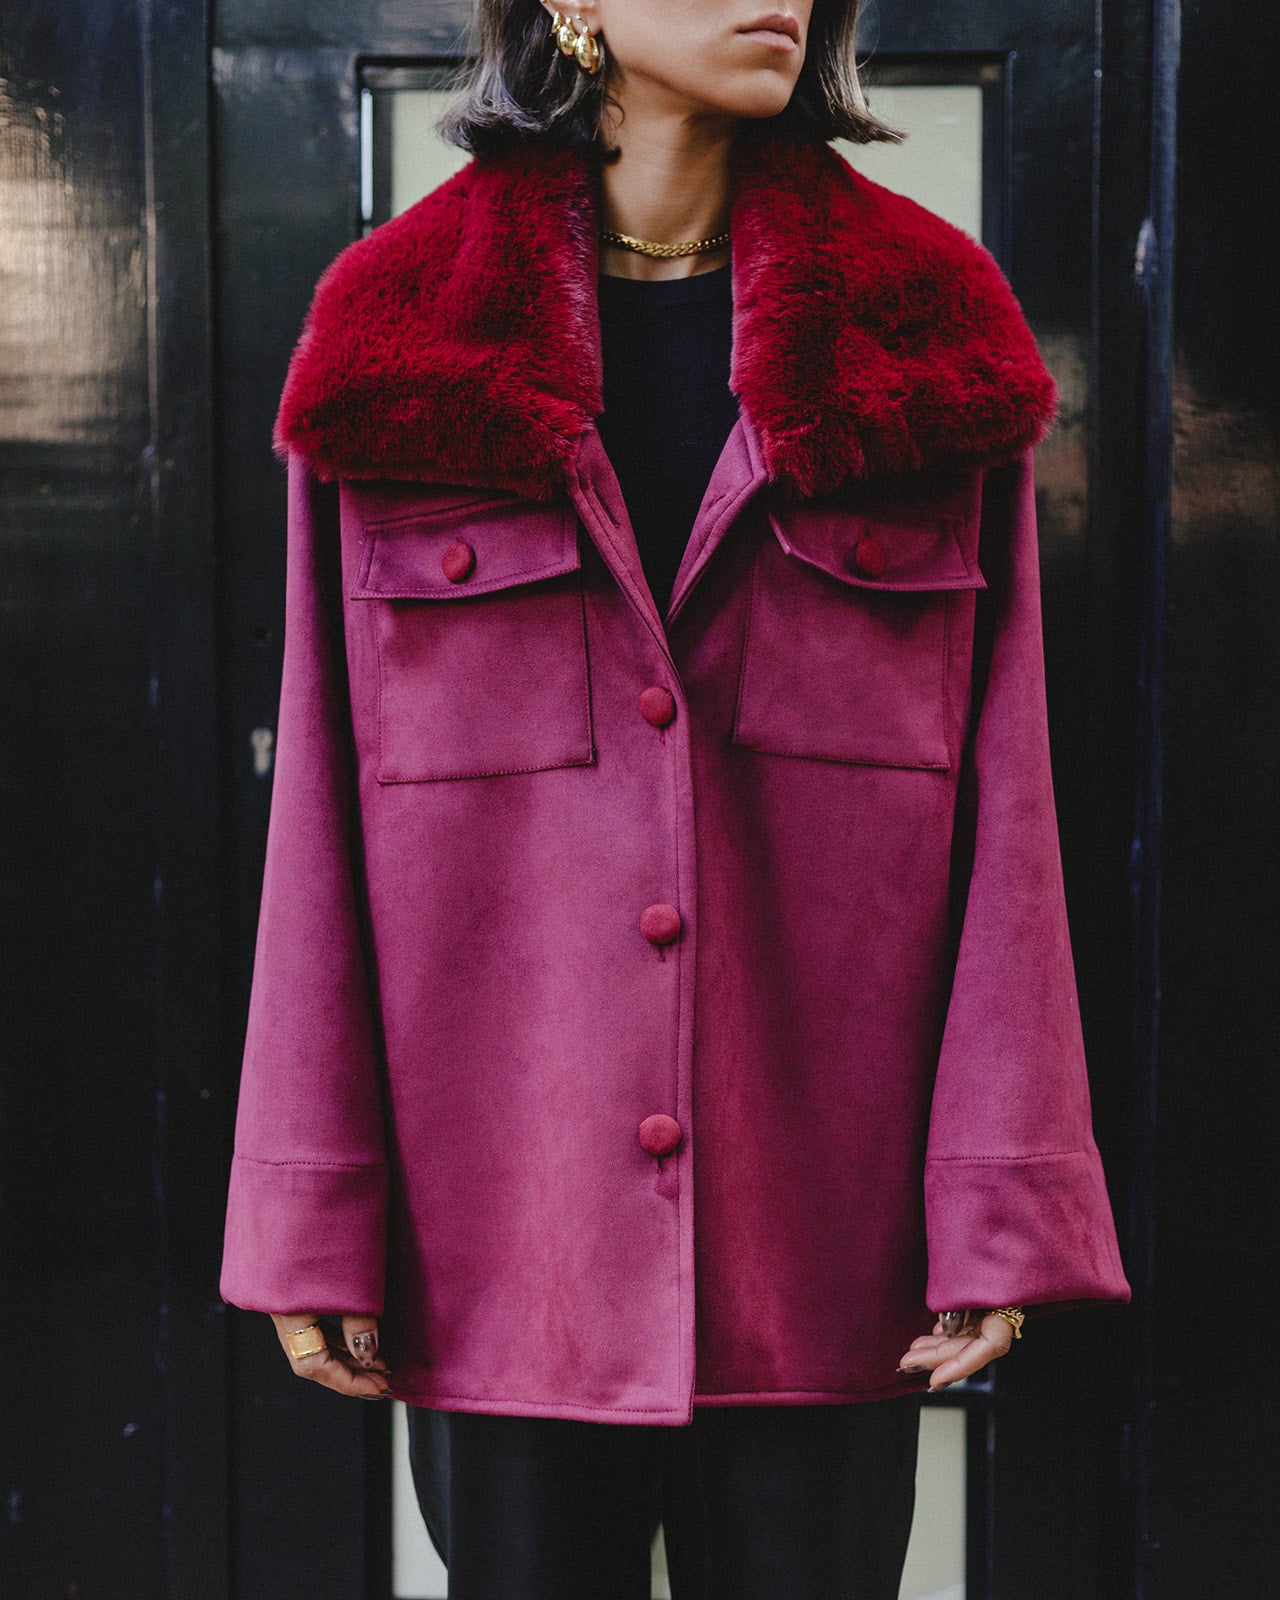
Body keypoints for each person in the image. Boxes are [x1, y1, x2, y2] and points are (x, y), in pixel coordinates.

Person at [219, 0, 1132, 1594]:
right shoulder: (401, 333)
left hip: (821, 1239)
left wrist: (1005, 1198)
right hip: (507, 1240)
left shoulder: (926, 336)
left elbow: (1013, 814)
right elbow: (325, 814)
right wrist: (308, 1205)